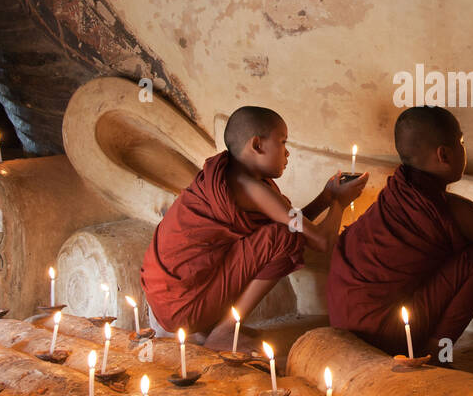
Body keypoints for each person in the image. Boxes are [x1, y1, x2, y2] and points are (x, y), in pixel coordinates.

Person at [140, 105, 366, 349]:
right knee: (282, 238)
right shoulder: (253, 189)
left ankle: (211, 329)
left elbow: (294, 224)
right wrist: (340, 204)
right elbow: (320, 240)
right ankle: (225, 331)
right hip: (184, 307)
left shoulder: (232, 174)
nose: (287, 153)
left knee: (282, 234)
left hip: (168, 301)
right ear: (257, 145)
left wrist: (325, 197)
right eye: (282, 142)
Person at [326, 105, 473, 358]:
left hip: (346, 323)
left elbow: (447, 235)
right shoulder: (457, 209)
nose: (464, 146)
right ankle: (436, 353)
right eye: (461, 141)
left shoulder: (397, 191)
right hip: (386, 333)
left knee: (471, 254)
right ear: (444, 155)